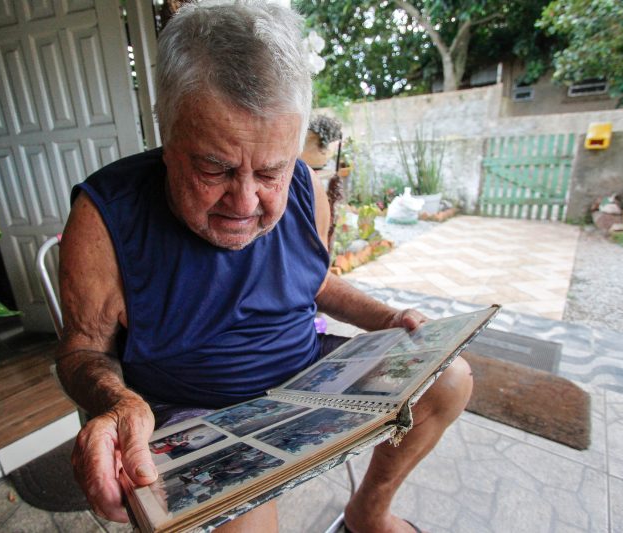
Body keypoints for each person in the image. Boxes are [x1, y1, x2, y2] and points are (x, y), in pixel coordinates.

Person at [56, 2, 473, 532]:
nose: (246, 201)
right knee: (247, 522)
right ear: (168, 135)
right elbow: (82, 349)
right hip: (193, 408)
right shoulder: (104, 214)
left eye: (271, 171)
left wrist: (388, 319)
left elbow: (312, 278)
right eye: (215, 167)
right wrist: (117, 403)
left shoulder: (306, 187)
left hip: (307, 378)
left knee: (448, 379)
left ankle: (367, 513)